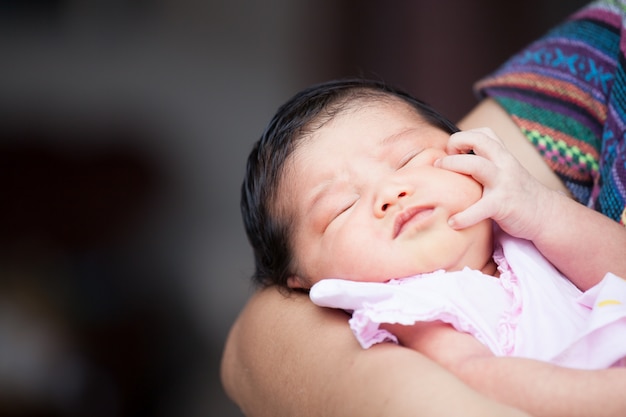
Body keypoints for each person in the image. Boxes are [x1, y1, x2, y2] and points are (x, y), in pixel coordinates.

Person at [222, 1, 626, 416]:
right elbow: (481, 380)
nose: (392, 192)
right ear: (303, 282)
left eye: (408, 158)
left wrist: (544, 212)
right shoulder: (417, 306)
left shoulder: (525, 224)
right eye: (341, 208)